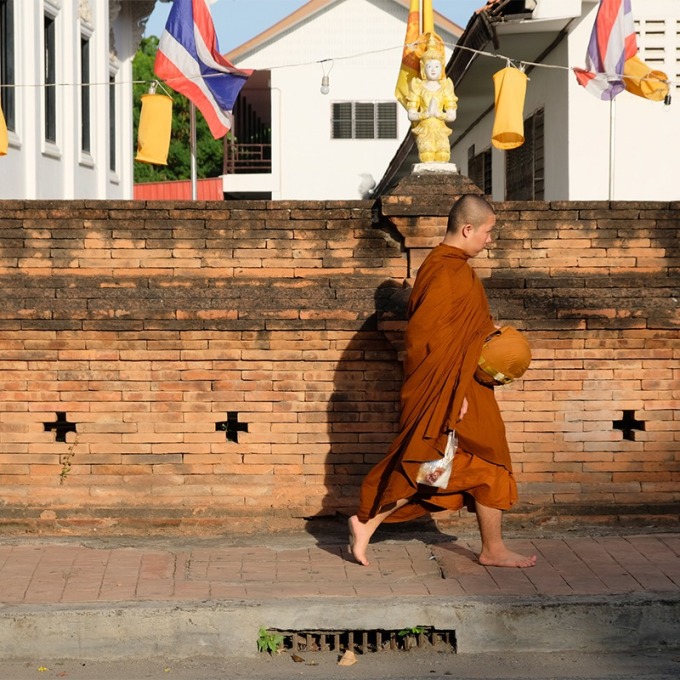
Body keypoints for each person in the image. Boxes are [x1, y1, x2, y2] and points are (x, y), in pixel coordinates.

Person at [348, 194, 536, 569]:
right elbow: (425, 339)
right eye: (487, 231)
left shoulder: (455, 269)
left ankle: (490, 547)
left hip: (465, 383)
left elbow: (459, 329)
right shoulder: (444, 271)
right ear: (467, 229)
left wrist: (489, 331)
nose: (489, 239)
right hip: (454, 387)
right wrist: (452, 393)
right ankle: (369, 520)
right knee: (466, 463)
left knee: (481, 464)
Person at [406, 34, 458, 163]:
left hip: (440, 127)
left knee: (443, 155)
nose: (433, 70)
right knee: (427, 155)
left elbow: (452, 115)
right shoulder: (418, 86)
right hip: (425, 127)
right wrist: (426, 114)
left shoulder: (446, 86)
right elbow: (411, 114)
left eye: (437, 66)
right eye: (430, 66)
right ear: (423, 68)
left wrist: (439, 114)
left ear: (441, 68)